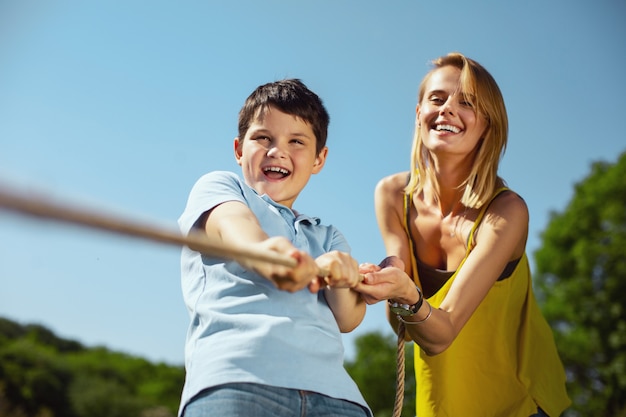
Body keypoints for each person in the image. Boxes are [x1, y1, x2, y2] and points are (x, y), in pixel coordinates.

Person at [355, 52, 571, 417]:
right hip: (444, 403)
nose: (448, 110)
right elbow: (400, 318)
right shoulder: (392, 195)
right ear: (419, 112)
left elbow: (443, 331)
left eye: (467, 103)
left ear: (488, 125)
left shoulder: (505, 212)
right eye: (437, 99)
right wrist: (384, 278)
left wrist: (405, 292)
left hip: (519, 403)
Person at [177, 79, 371, 417]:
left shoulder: (328, 236)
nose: (277, 151)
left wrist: (342, 278)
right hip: (238, 379)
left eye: (296, 141)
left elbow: (349, 318)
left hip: (338, 399)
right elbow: (235, 227)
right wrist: (270, 253)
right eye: (263, 137)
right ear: (239, 149)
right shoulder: (222, 187)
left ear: (319, 159)